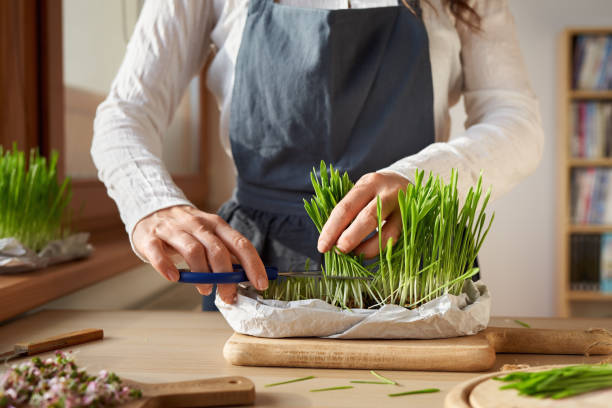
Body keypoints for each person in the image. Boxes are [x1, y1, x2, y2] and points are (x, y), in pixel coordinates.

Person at [92, 0, 544, 306]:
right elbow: (128, 110)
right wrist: (154, 203)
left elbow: (516, 119)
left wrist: (425, 177)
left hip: (414, 252)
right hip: (261, 260)